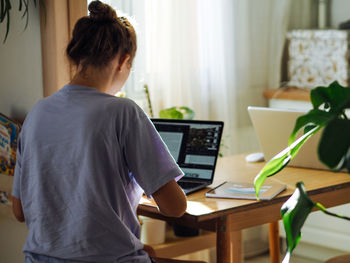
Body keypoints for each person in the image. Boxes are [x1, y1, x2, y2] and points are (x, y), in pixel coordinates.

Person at [11, 1, 187, 262]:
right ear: (123, 61)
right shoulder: (123, 112)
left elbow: (19, 210)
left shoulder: (38, 112)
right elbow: (175, 207)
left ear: (75, 55)